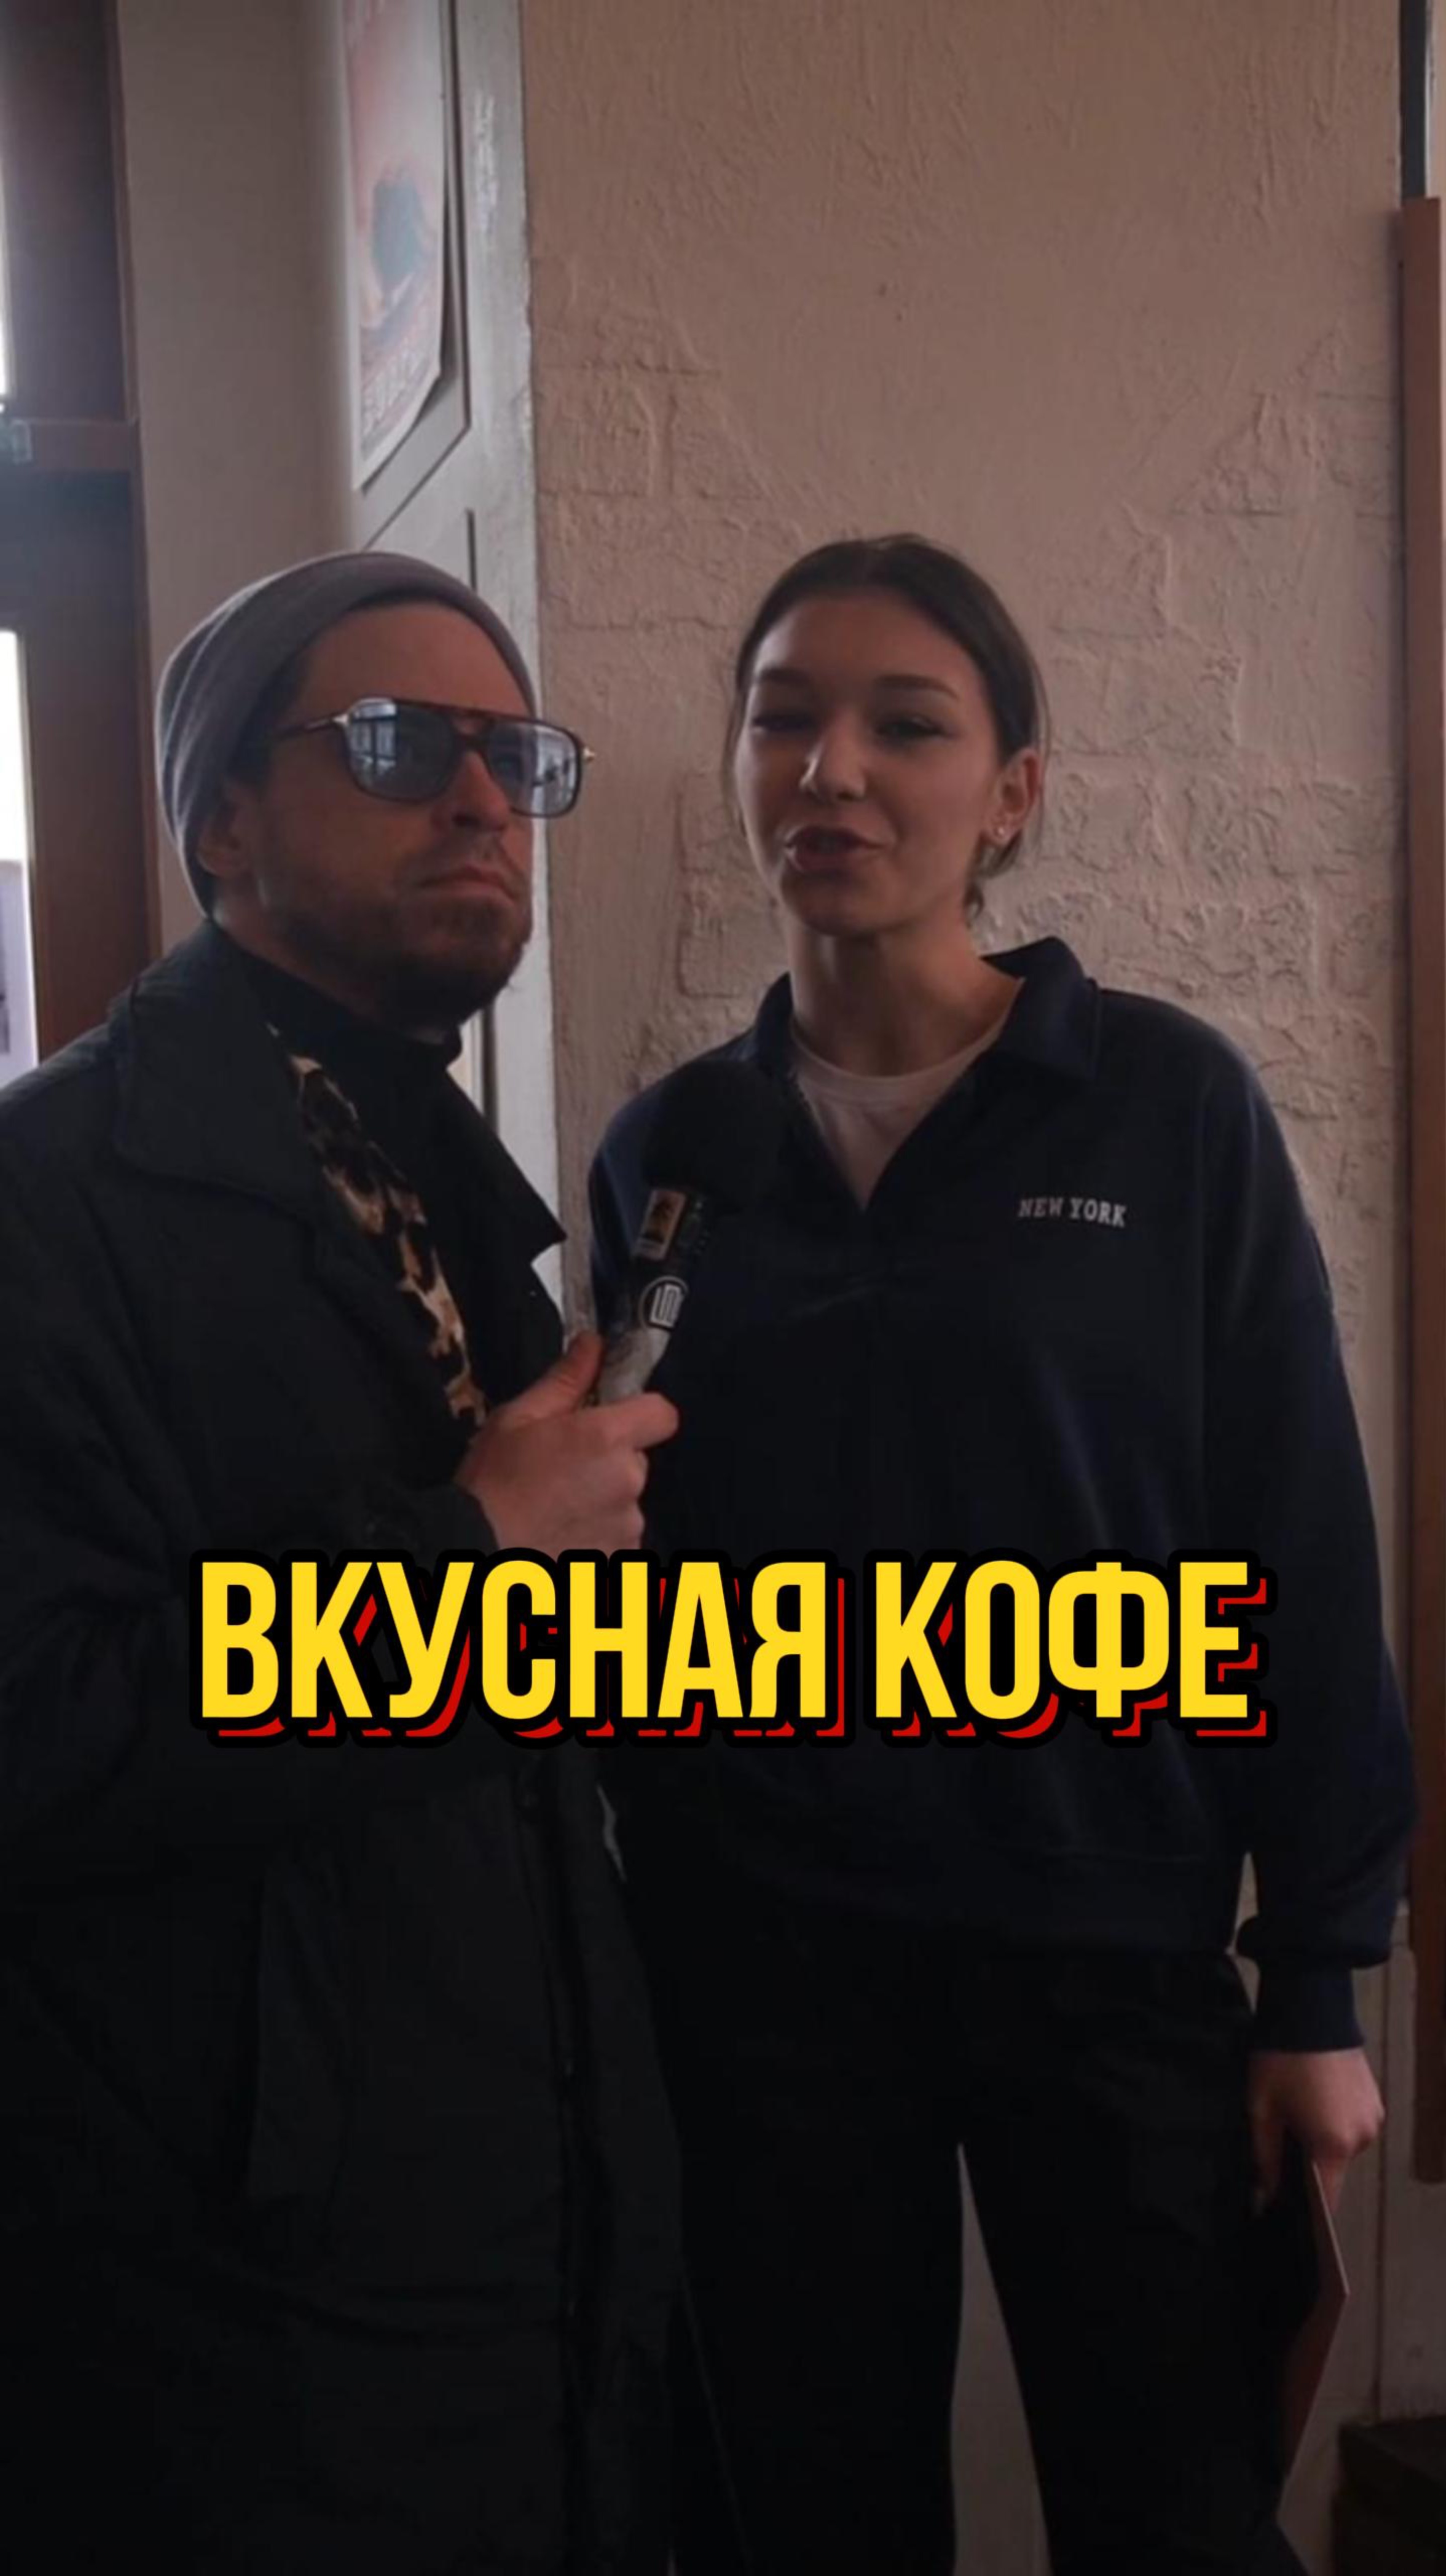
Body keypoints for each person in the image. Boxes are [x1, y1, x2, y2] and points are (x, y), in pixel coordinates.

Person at [589, 534, 1417, 2576]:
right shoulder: (668, 1154)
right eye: (783, 719)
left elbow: (1295, 1535)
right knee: (802, 2520)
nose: (832, 769)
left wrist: (1315, 1977)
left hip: (1106, 1949)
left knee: (1178, 2515)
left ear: (1011, 791)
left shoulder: (1164, 1106)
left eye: (905, 724)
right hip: (762, 1968)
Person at [0, 549, 679, 2574]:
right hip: (230, 2291)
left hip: (522, 2219)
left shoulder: (454, 1194)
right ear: (220, 817)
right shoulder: (48, 1202)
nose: (478, 799)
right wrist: (468, 1552)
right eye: (396, 746)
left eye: (512, 759)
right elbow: (41, 1724)